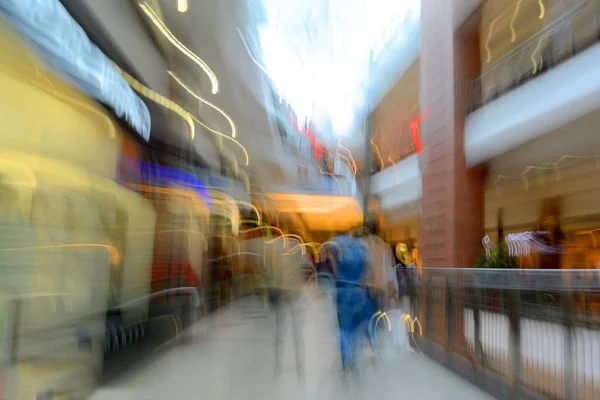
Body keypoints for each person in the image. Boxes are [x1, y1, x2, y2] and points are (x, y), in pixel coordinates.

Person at [331, 228, 372, 373]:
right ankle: (352, 358)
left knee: (342, 327)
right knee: (355, 327)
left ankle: (345, 358)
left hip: (342, 290)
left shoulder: (337, 244)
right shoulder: (363, 246)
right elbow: (368, 270)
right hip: (357, 291)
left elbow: (334, 267)